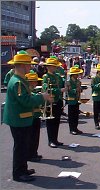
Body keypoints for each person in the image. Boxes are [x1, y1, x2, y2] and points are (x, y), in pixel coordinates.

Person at [3, 51, 52, 182]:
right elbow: (26, 101)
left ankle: (23, 169)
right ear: (23, 66)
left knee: (23, 145)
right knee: (20, 146)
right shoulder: (17, 82)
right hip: (19, 118)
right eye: (28, 65)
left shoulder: (19, 79)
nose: (30, 67)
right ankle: (18, 173)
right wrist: (42, 97)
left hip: (21, 117)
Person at [42, 56, 66, 148]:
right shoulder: (46, 77)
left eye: (55, 66)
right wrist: (59, 90)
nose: (55, 68)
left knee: (56, 121)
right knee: (50, 122)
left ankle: (55, 139)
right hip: (50, 101)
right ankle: (50, 140)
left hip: (58, 100)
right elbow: (46, 89)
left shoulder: (58, 76)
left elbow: (61, 84)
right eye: (53, 66)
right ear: (48, 67)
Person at [25, 70, 44, 163]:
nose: (36, 83)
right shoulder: (28, 91)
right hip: (31, 116)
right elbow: (31, 99)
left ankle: (34, 153)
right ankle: (30, 154)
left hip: (36, 115)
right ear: (30, 82)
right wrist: (40, 97)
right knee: (31, 137)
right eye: (35, 81)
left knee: (36, 136)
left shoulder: (34, 90)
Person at [66, 65, 84, 135]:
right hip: (71, 100)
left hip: (76, 99)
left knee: (76, 115)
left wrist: (80, 90)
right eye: (76, 74)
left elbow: (80, 89)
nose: (77, 75)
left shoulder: (78, 81)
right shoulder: (69, 81)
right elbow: (69, 91)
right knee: (71, 116)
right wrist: (76, 90)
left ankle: (75, 128)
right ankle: (72, 129)